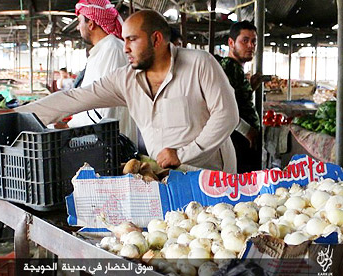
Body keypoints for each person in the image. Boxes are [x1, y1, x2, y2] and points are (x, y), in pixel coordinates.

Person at [13, 10, 239, 173]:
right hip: (164, 175)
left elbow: (227, 116)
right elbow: (75, 98)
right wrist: (18, 115)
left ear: (156, 39)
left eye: (132, 40)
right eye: (124, 40)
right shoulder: (126, 78)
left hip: (211, 176)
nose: (126, 48)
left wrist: (183, 154)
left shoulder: (200, 64)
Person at [68, 0, 136, 143]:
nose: (79, 27)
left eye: (80, 22)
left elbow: (104, 107)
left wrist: (72, 127)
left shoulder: (112, 50)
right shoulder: (101, 51)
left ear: (91, 24)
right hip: (98, 138)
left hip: (112, 142)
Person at [216, 21, 262, 173]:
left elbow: (236, 99)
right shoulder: (228, 67)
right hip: (238, 139)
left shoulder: (236, 68)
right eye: (245, 40)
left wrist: (251, 88)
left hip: (244, 139)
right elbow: (220, 105)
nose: (251, 46)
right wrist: (246, 129)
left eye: (254, 41)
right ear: (231, 42)